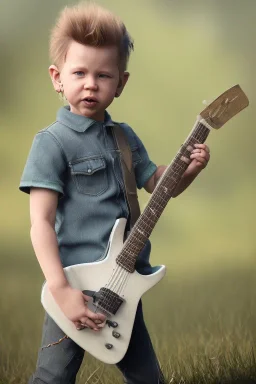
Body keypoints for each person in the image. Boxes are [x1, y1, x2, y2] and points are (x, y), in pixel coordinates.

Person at [19, 2, 210, 384]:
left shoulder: (124, 138)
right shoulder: (51, 143)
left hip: (122, 286)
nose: (91, 83)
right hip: (74, 286)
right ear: (57, 78)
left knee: (146, 377)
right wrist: (59, 288)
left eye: (103, 75)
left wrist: (188, 170)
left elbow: (159, 185)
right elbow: (39, 222)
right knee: (52, 377)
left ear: (120, 83)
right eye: (79, 73)